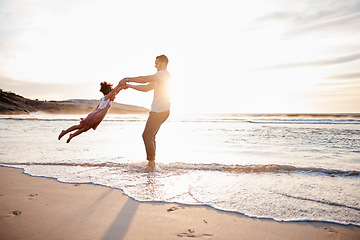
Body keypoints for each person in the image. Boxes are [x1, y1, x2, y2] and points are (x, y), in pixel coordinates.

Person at [119, 55, 171, 172]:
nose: (155, 65)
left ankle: (151, 164)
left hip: (160, 111)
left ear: (162, 63)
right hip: (159, 110)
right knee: (150, 136)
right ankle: (152, 163)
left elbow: (145, 78)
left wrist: (128, 79)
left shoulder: (163, 74)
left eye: (156, 63)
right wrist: (129, 85)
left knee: (146, 135)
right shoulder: (160, 77)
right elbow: (146, 87)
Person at [58, 81, 126, 143]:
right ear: (109, 92)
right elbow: (113, 92)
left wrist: (121, 88)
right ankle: (66, 132)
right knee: (80, 126)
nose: (115, 97)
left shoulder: (108, 100)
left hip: (97, 118)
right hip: (94, 116)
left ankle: (72, 135)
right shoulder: (105, 98)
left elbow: (115, 92)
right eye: (113, 94)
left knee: (84, 129)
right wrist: (119, 85)